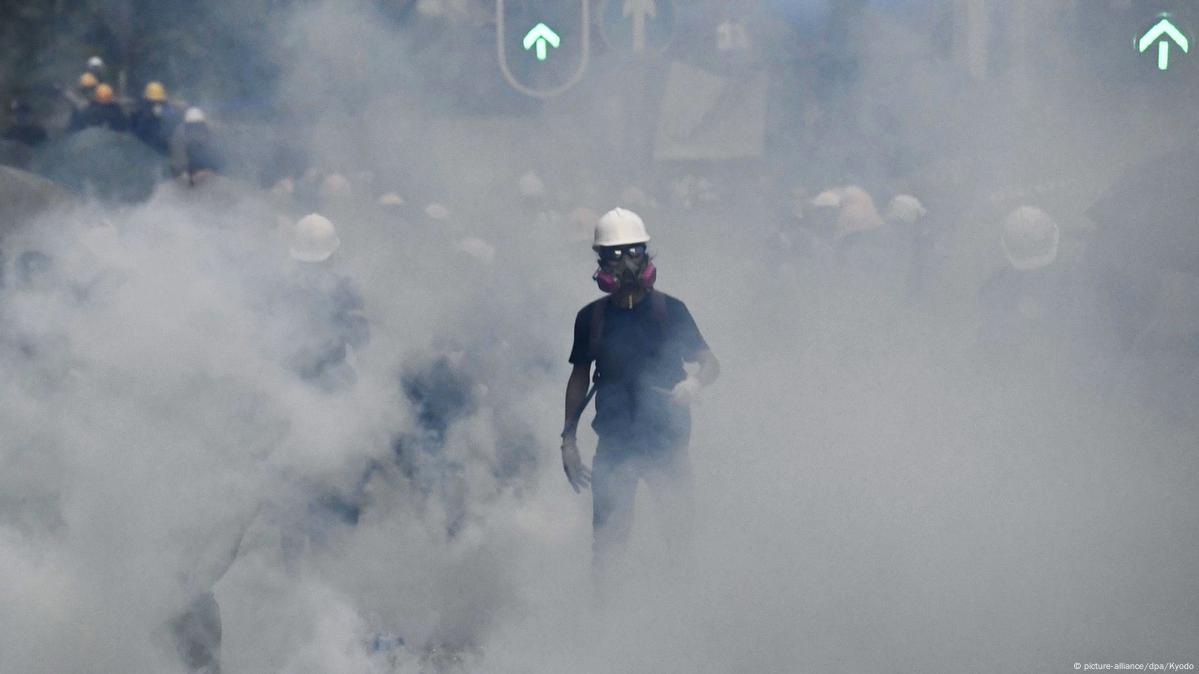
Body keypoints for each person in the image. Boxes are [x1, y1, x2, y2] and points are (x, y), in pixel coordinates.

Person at [561, 207, 719, 591]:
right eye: (615, 256)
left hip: (668, 445)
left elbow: (710, 363)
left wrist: (695, 384)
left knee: (679, 538)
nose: (626, 264)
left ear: (647, 255)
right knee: (608, 546)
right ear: (601, 262)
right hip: (615, 447)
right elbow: (579, 375)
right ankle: (605, 624)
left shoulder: (671, 312)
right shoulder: (591, 319)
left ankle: (685, 615)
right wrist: (568, 439)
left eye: (633, 252)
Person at [171, 107, 223, 185]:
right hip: (188, 171)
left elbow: (215, 154)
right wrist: (182, 173)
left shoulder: (210, 134)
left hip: (205, 170)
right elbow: (178, 156)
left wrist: (211, 170)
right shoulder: (179, 136)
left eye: (198, 125)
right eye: (192, 126)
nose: (195, 129)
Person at [129, 80, 179, 154]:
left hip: (156, 146)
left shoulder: (145, 111)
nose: (156, 103)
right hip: (158, 146)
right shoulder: (144, 111)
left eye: (158, 101)